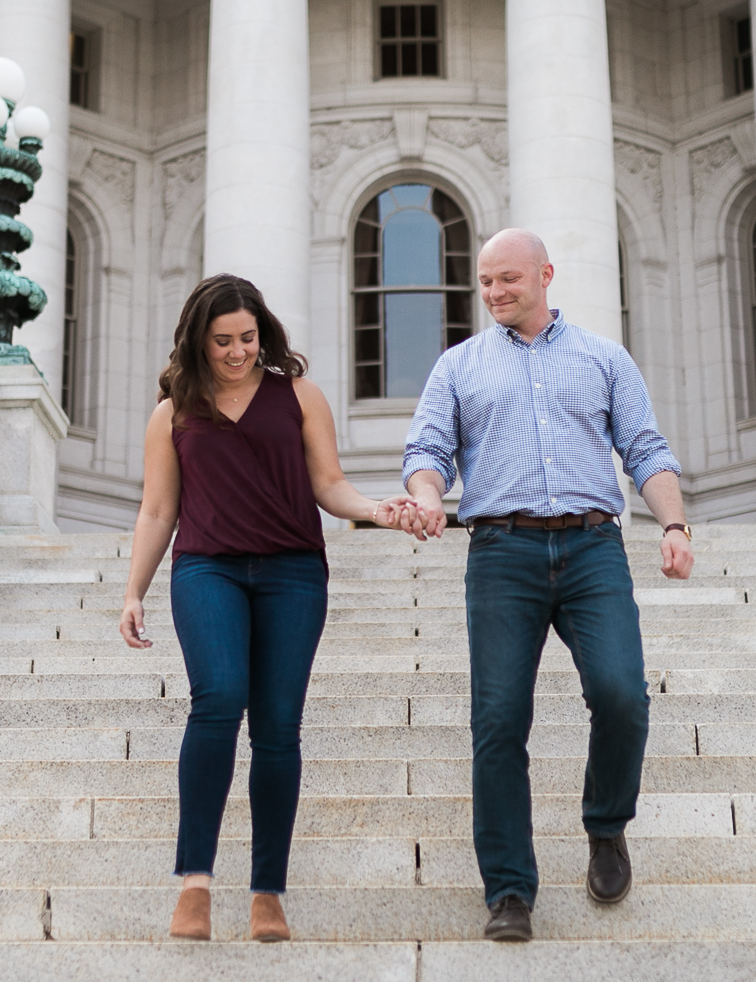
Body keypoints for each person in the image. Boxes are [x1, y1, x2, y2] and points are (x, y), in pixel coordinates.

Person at [402, 228, 694, 942]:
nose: (497, 292)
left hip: (594, 546)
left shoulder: (603, 358)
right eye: (486, 282)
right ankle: (508, 890)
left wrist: (675, 525)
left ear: (545, 274)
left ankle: (605, 824)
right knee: (498, 721)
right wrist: (429, 492)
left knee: (623, 693)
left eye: (510, 278)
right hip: (502, 551)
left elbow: (645, 447)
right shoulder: (458, 366)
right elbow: (427, 449)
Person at [121, 273, 419, 943]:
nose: (236, 352)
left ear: (264, 333)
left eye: (248, 338)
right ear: (199, 340)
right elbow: (158, 508)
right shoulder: (173, 413)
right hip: (207, 567)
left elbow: (329, 484)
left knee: (279, 725)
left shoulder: (300, 397)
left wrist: (377, 510)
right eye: (222, 340)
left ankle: (267, 894)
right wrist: (133, 590)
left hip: (292, 572)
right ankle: (194, 885)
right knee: (219, 697)